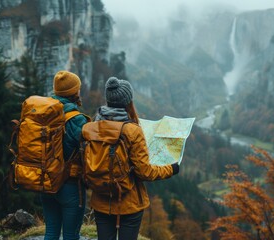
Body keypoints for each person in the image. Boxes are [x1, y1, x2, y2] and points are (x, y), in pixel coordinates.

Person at [91, 77, 180, 240]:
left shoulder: (92, 127)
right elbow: (145, 172)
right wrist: (171, 169)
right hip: (129, 201)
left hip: (100, 197)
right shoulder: (132, 131)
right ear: (128, 102)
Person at [40, 70, 89, 240]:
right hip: (69, 185)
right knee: (70, 235)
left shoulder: (43, 113)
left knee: (51, 232)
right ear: (74, 92)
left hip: (46, 181)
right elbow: (88, 154)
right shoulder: (76, 119)